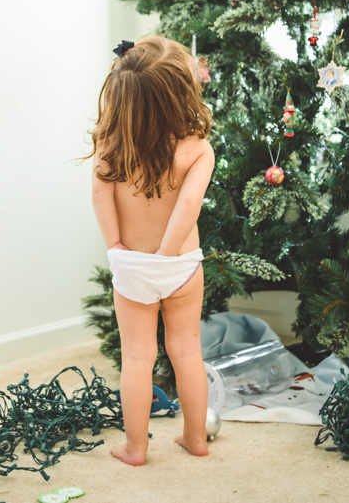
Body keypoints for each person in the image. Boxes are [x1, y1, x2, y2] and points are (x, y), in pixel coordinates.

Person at [87, 35, 215, 466]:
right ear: (182, 93)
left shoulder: (110, 148)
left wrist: (116, 246)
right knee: (186, 350)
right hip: (179, 265)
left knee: (138, 358)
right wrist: (167, 252)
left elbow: (100, 199)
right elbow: (189, 204)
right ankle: (195, 439)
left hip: (132, 265)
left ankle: (135, 448)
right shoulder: (197, 149)